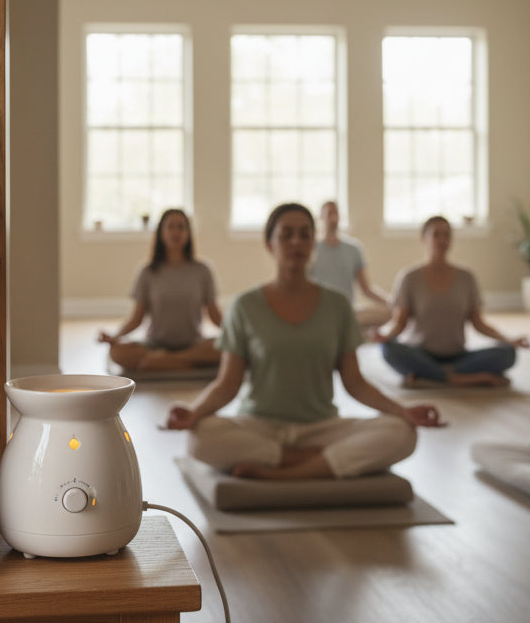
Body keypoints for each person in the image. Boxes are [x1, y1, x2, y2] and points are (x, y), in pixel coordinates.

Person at [165, 202, 444, 481]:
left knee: (402, 433)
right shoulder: (245, 307)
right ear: (269, 243)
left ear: (314, 242)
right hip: (259, 425)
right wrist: (193, 412)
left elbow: (355, 382)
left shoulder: (337, 305)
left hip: (321, 428)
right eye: (286, 234)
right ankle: (312, 462)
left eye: (305, 234)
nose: (296, 242)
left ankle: (287, 473)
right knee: (200, 437)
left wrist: (403, 411)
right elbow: (227, 384)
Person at [375, 215, 527, 388]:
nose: (442, 240)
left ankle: (431, 375)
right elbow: (399, 322)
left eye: (447, 235)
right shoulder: (409, 278)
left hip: (458, 356)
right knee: (388, 349)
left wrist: (510, 340)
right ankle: (459, 378)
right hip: (420, 353)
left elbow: (479, 323)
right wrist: (384, 335)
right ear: (423, 239)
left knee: (508, 354)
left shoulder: (467, 277)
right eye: (436, 234)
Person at [97, 208, 222, 370]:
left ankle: (165, 361)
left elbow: (215, 316)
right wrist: (115, 336)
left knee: (224, 348)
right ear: (161, 232)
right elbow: (136, 318)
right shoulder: (147, 271)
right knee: (117, 352)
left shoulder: (203, 270)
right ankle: (182, 363)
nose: (176, 232)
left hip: (193, 345)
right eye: (170, 227)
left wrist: (239, 334)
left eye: (181, 227)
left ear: (188, 233)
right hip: (154, 346)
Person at [309, 200, 392, 327]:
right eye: (329, 213)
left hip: (349, 311)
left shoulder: (353, 248)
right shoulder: (311, 248)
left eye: (336, 213)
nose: (333, 217)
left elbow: (366, 288)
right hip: (318, 312)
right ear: (321, 217)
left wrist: (392, 302)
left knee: (393, 313)